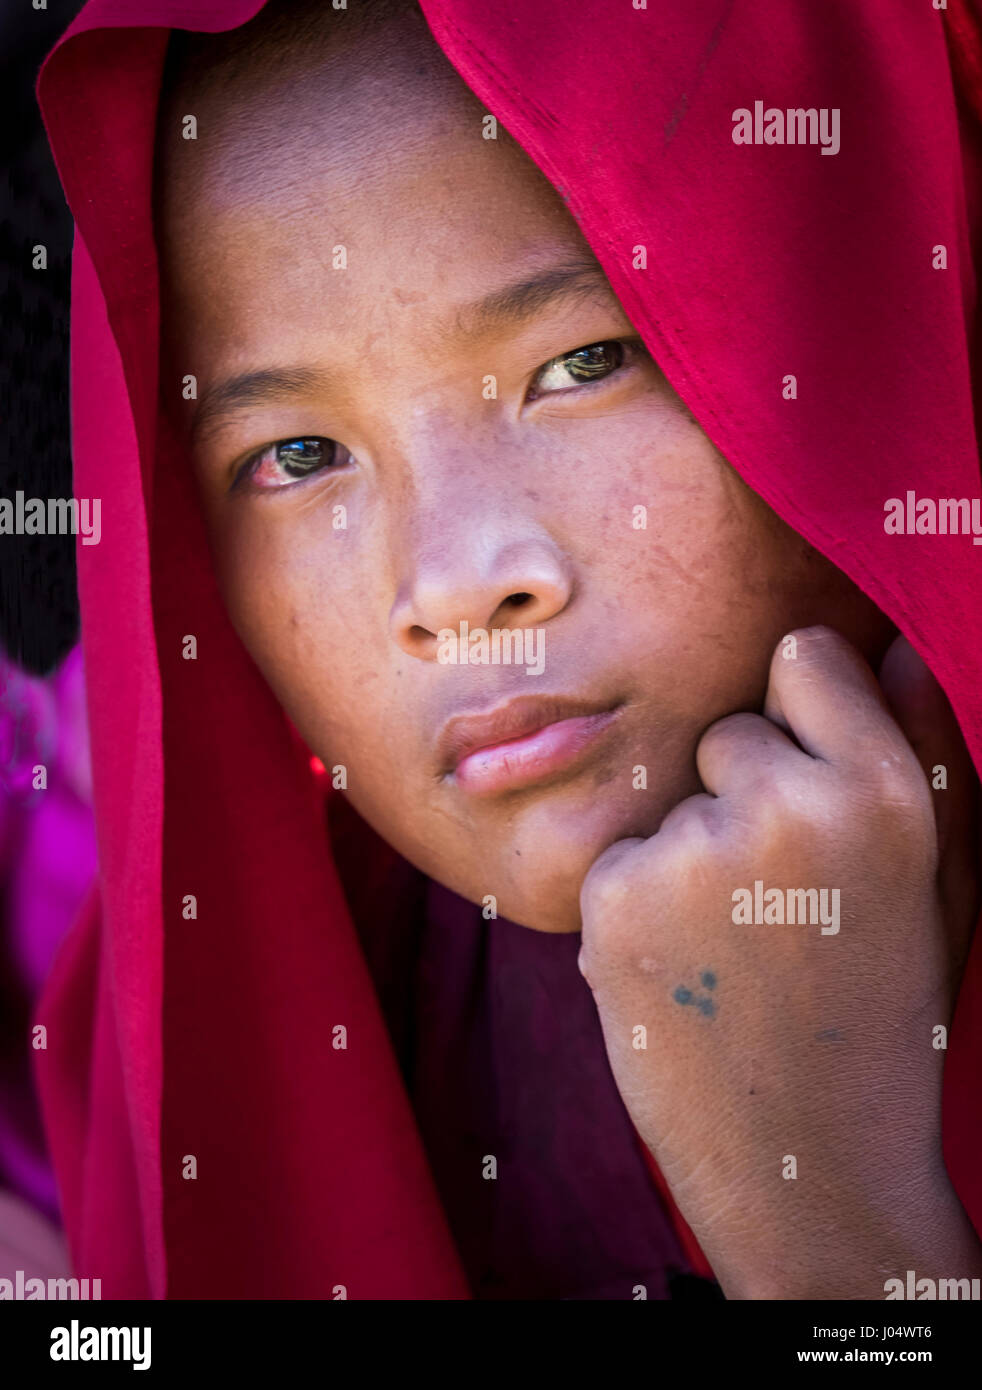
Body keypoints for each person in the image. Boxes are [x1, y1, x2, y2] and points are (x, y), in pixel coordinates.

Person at [27, 0, 982, 1298]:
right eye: (296, 457)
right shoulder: (186, 1041)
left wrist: (820, 1207)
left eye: (582, 361)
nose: (453, 583)